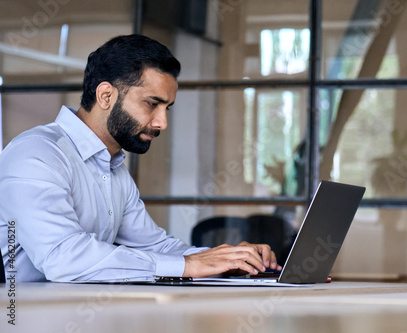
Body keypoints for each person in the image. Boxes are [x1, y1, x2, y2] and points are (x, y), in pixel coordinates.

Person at [0, 34, 281, 282]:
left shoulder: (113, 169)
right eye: (152, 104)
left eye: (167, 108)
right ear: (106, 95)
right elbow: (63, 258)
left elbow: (153, 246)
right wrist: (190, 265)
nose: (161, 123)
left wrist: (230, 258)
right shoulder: (36, 155)